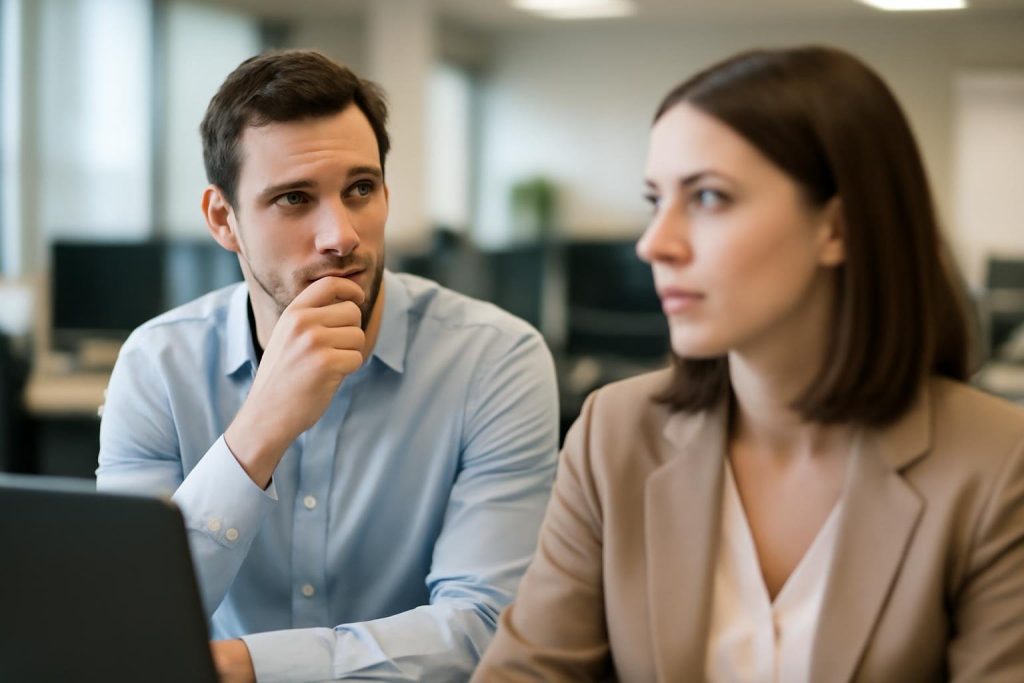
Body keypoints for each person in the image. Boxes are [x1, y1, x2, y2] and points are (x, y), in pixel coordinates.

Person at [473, 45, 1024, 682]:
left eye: (708, 197)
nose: (655, 243)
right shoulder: (614, 435)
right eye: (656, 200)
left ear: (838, 229)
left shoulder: (996, 466)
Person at [96, 50, 558, 682]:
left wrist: (246, 666)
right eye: (293, 198)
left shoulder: (496, 359)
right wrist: (260, 428)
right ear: (222, 219)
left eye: (360, 189)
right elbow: (123, 622)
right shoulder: (156, 365)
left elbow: (487, 627)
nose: (340, 235)